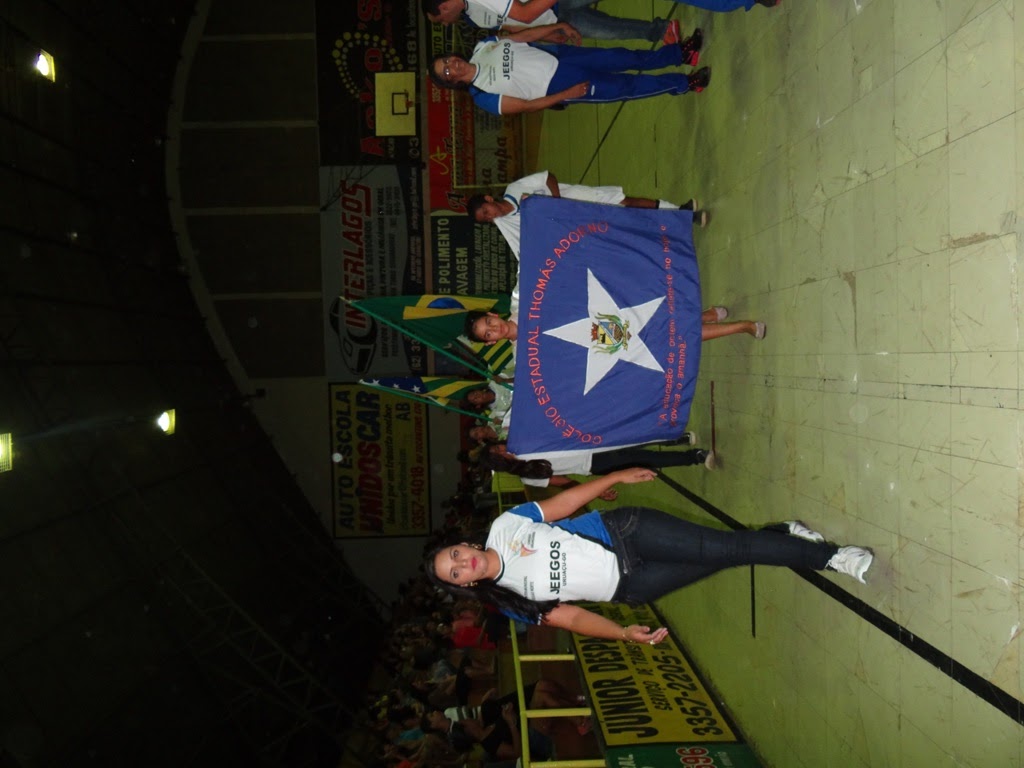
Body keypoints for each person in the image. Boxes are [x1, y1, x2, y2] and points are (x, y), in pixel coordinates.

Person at [426, 468, 874, 641]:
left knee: (729, 548)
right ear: (466, 585)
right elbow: (574, 618)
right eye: (455, 573)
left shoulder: (505, 526)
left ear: (465, 544)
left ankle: (833, 557)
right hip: (632, 587)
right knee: (726, 557)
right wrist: (622, 634)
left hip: (628, 534)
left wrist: (614, 477)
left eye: (456, 554)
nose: (463, 563)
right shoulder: (510, 600)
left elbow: (562, 504)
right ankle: (783, 534)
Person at [429, 25, 710, 117]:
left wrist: (554, 28)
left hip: (562, 56)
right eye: (447, 71)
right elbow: (527, 106)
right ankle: (685, 83)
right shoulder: (482, 95)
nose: (452, 65)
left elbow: (521, 38)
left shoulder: (483, 46)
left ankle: (680, 53)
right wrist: (566, 94)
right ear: (451, 82)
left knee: (623, 56)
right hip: (558, 85)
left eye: (447, 60)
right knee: (626, 86)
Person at [469, 170, 708, 258]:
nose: (491, 217)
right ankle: (669, 237)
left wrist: (556, 203)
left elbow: (547, 177)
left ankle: (682, 212)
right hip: (574, 225)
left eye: (486, 211)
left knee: (624, 202)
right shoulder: (505, 225)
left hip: (575, 199)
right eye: (486, 219)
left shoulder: (515, 189)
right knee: (620, 229)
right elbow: (524, 251)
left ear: (489, 199)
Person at [422, 0, 780, 44]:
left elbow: (525, 13)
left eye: (441, 19)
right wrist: (550, 32)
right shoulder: (474, 17)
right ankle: (660, 31)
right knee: (612, 30)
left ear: (444, 5)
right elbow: (514, 27)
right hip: (559, 16)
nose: (446, 23)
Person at [467, 306, 767, 345]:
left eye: (489, 321)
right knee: (675, 337)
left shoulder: (524, 299)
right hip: (604, 346)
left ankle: (706, 315)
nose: (495, 328)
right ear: (491, 341)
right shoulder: (525, 358)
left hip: (603, 313)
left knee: (668, 319)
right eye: (488, 333)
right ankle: (741, 327)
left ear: (493, 314)